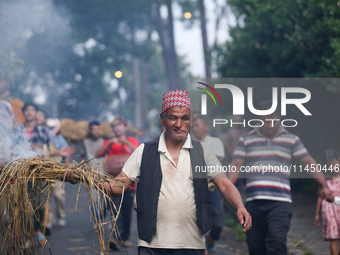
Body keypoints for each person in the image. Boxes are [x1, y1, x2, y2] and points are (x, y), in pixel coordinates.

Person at [66, 89, 252, 255]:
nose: (179, 124)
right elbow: (118, 185)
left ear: (190, 120)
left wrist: (240, 206)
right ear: (163, 119)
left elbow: (225, 184)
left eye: (185, 118)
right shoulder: (144, 151)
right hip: (152, 245)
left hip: (191, 245)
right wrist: (85, 177)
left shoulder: (203, 151)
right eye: (173, 118)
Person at [228, 100, 332, 255]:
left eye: (274, 120)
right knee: (256, 248)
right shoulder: (246, 140)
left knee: (276, 243)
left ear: (280, 118)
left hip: (280, 203)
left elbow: (308, 162)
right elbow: (235, 165)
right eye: (265, 120)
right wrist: (227, 189)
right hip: (253, 204)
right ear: (259, 119)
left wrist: (323, 185)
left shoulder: (291, 139)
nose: (270, 125)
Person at [95, 117, 139, 250]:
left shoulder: (132, 140)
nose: (117, 128)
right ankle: (114, 237)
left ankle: (124, 238)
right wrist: (109, 145)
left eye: (120, 125)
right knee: (115, 210)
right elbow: (98, 155)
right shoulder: (109, 142)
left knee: (126, 212)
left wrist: (125, 142)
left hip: (130, 184)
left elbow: (139, 153)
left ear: (125, 127)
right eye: (115, 126)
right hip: (113, 182)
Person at [192, 116, 225, 255]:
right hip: (195, 188)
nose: (196, 128)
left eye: (198, 125)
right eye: (193, 126)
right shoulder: (189, 143)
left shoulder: (215, 141)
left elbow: (213, 160)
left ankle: (211, 239)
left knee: (218, 223)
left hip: (213, 188)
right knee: (197, 222)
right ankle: (203, 247)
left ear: (205, 126)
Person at [21, 102, 50, 247]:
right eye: (26, 110)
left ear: (35, 112)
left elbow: (46, 150)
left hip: (39, 172)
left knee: (40, 204)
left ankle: (38, 230)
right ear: (24, 113)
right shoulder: (19, 131)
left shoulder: (43, 130)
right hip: (22, 172)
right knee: (24, 204)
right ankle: (27, 236)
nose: (29, 112)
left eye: (32, 110)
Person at [80, 120, 105, 230]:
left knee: (104, 200)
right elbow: (82, 156)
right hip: (91, 174)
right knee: (94, 199)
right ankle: (97, 221)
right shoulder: (85, 142)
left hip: (104, 174)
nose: (96, 131)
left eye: (98, 129)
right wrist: (83, 168)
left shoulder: (104, 141)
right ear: (90, 130)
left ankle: (102, 219)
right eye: (93, 129)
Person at [315, 149, 340, 255]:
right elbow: (320, 197)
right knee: (334, 238)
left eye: (335, 164)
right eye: (330, 166)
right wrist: (316, 214)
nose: (333, 168)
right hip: (330, 212)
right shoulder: (325, 180)